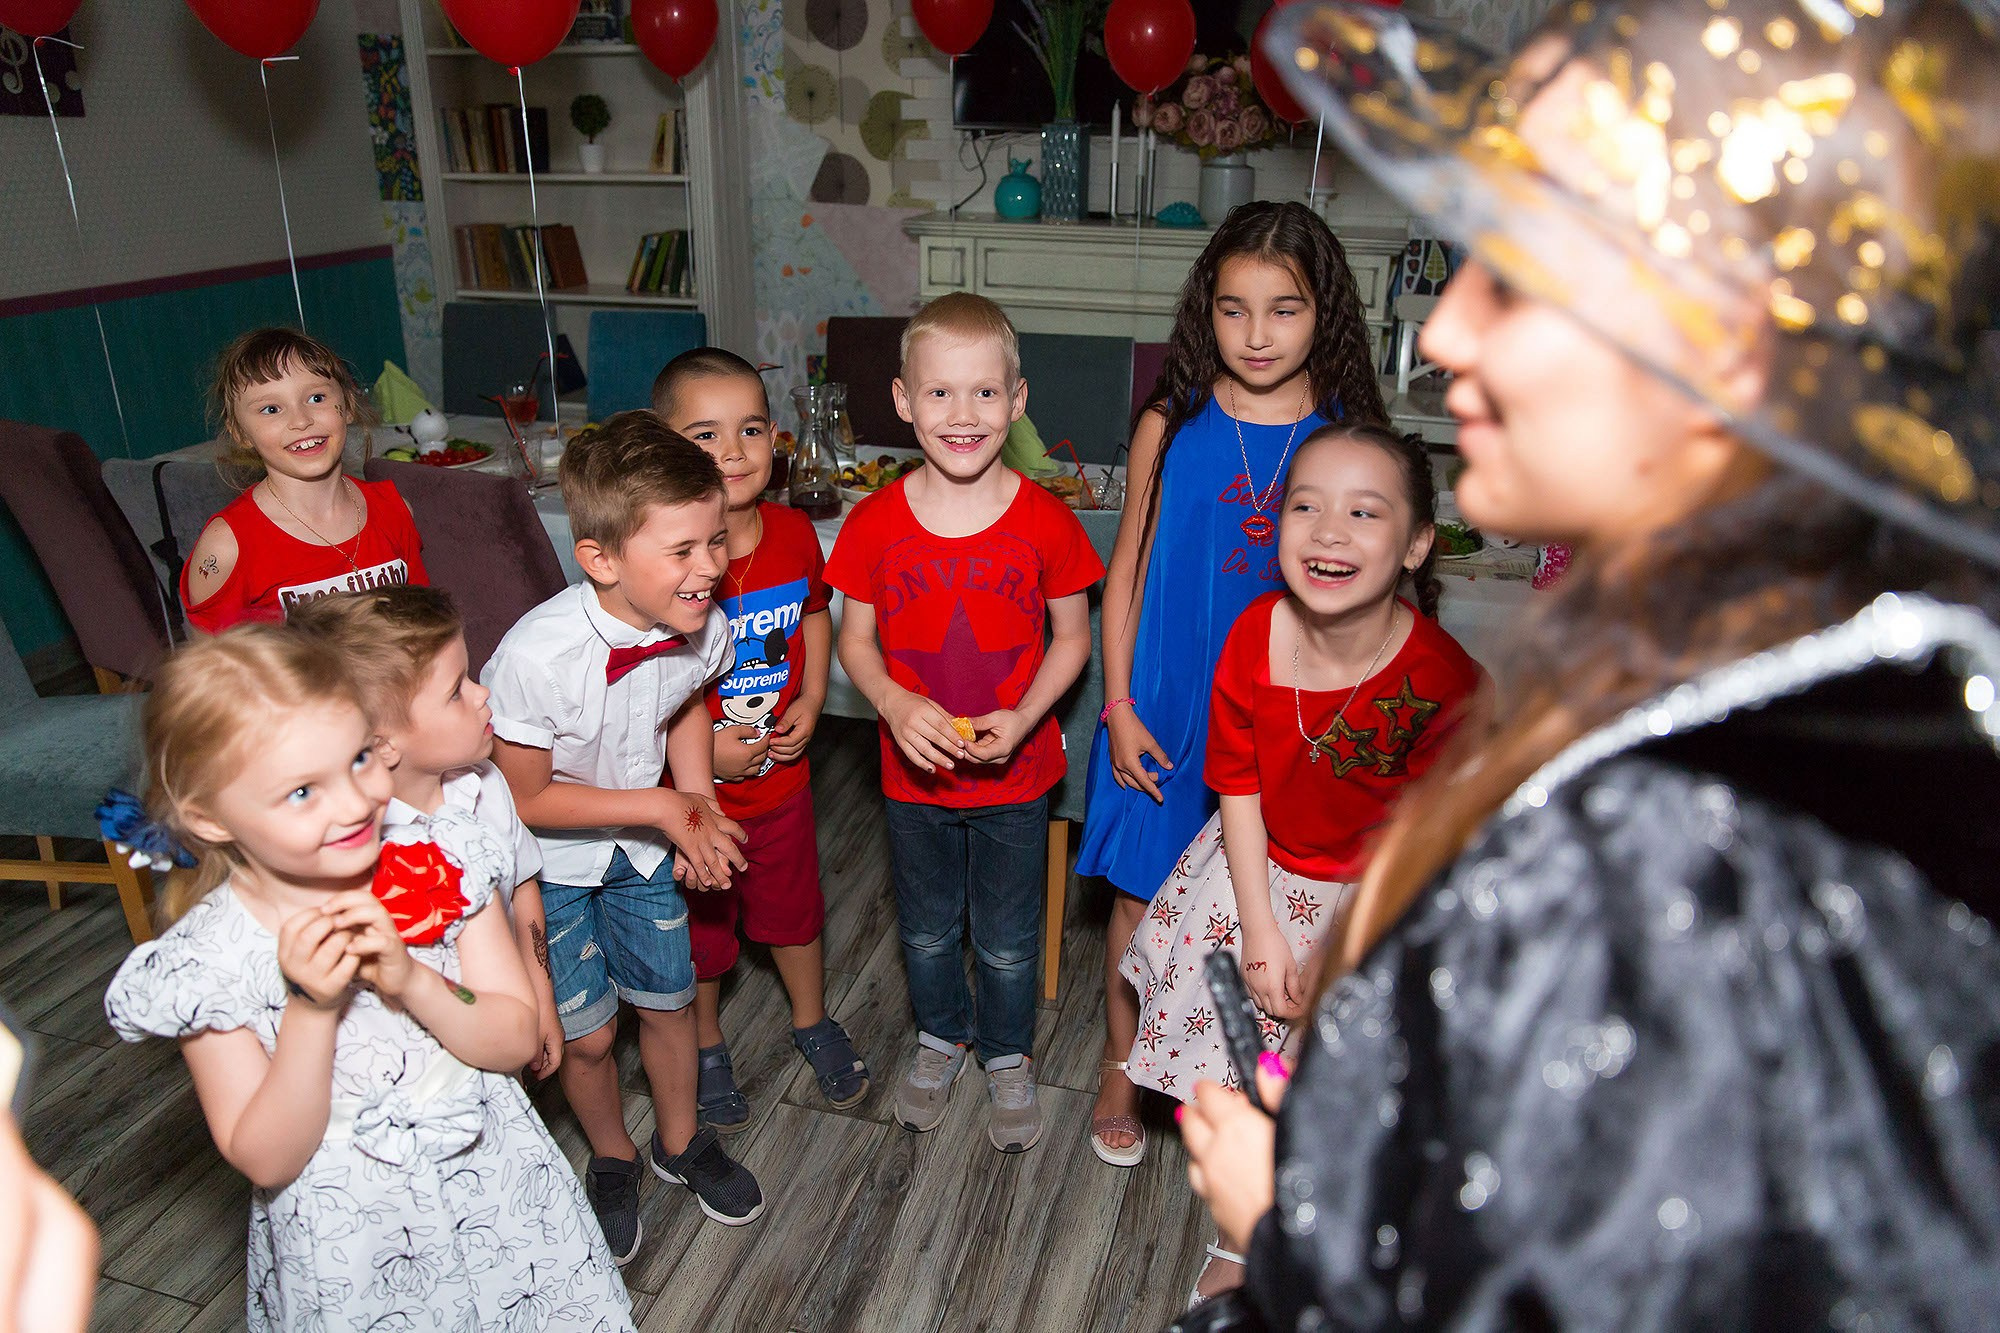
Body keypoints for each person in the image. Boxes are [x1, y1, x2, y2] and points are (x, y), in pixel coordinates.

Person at [1181, 0, 2000, 1326]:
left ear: (1725, 344)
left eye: (1520, 269)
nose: (1446, 333)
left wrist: (1294, 1235)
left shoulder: (1666, 870)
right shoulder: (1871, 680)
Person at [100, 626, 634, 1332]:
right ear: (206, 816)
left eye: (357, 758)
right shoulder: (211, 962)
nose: (353, 804)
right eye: (300, 791)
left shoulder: (442, 860)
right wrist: (312, 1011)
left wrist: (412, 978)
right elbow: (266, 1154)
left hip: (498, 1197)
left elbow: (511, 1040)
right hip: (353, 1245)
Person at [1123, 424, 1479, 1301]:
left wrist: (1340, 947)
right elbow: (1236, 787)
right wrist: (1262, 928)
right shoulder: (1252, 634)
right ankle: (1246, 1236)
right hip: (1258, 872)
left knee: (1347, 1079)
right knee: (1252, 1071)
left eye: (1364, 512)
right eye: (1306, 506)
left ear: (1416, 544)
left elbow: (1429, 838)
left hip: (1381, 893)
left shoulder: (1444, 680)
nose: (1328, 531)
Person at [1078, 201, 1389, 1168]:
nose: (1257, 335)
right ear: (1204, 313)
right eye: (1233, 308)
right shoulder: (1170, 424)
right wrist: (1119, 705)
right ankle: (1117, 1066)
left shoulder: (1345, 437)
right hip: (1163, 704)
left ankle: (1251, 1084)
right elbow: (1125, 564)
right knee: (1140, 899)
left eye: (1284, 310)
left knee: (1272, 909)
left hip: (1283, 717)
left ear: (1323, 313)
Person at [483, 412, 763, 1262]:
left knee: (669, 1001)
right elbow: (526, 798)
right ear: (601, 558)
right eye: (681, 550)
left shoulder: (701, 622)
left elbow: (682, 704)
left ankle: (681, 1142)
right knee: (590, 1032)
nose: (710, 566)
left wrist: (696, 804)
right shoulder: (537, 655)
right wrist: (662, 808)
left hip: (642, 851)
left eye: (714, 540)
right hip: (553, 866)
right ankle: (612, 1154)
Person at [826, 293, 1102, 1153]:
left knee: (1013, 939)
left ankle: (1010, 1054)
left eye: (985, 394)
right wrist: (896, 702)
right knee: (928, 926)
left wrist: (1023, 716)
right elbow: (853, 639)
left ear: (1017, 402)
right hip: (912, 779)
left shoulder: (1048, 521)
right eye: (939, 394)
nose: (963, 415)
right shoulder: (872, 523)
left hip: (1017, 775)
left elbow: (1074, 637)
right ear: (904, 400)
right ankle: (940, 1036)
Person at [651, 347, 869, 1131]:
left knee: (794, 912)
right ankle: (707, 1044)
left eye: (750, 428)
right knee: (703, 934)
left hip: (783, 786)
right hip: (695, 803)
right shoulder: (663, 560)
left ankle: (811, 1020)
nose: (734, 451)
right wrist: (704, 754)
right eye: (705, 434)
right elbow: (647, 686)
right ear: (663, 444)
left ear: (776, 438)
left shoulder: (792, 533)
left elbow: (814, 613)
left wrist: (813, 697)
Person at [289, 585, 565, 1079]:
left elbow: (522, 884)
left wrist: (541, 996)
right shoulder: (352, 852)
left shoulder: (484, 783)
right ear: (383, 743)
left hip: (503, 1015)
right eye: (456, 690)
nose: (482, 693)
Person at [181, 328, 427, 632]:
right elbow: (211, 671)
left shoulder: (395, 511)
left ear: (348, 405)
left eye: (316, 397)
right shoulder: (227, 548)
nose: (301, 421)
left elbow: (425, 635)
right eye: (271, 409)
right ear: (240, 433)